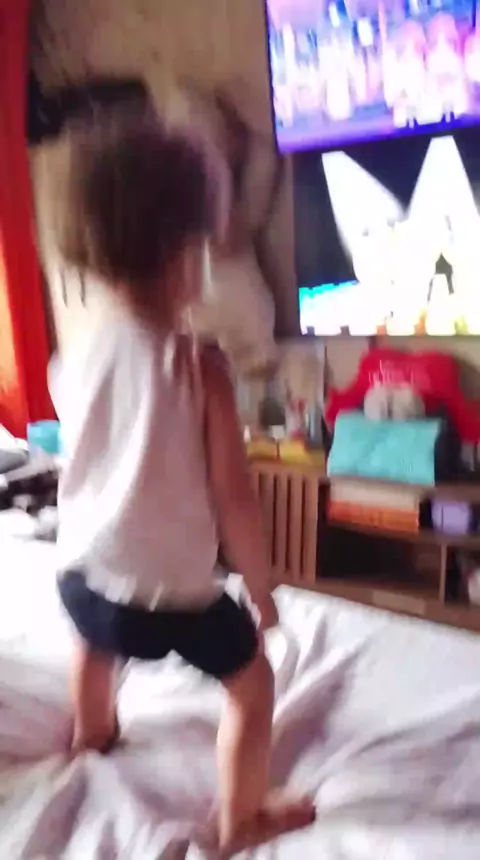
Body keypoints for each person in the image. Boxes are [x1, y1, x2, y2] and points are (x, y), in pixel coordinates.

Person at [47, 104, 315, 854]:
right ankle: (241, 818)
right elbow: (234, 501)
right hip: (176, 603)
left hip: (84, 581)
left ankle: (93, 732)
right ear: (182, 255)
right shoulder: (200, 370)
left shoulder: (75, 356)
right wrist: (261, 590)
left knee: (95, 642)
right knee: (253, 685)